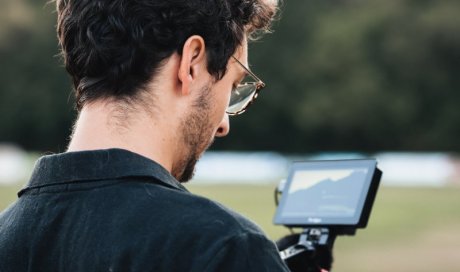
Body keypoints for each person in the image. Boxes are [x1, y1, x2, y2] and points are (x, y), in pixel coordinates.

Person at [0, 0, 292, 271]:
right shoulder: (226, 248)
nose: (223, 125)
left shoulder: (6, 237)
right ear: (191, 61)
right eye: (232, 85)